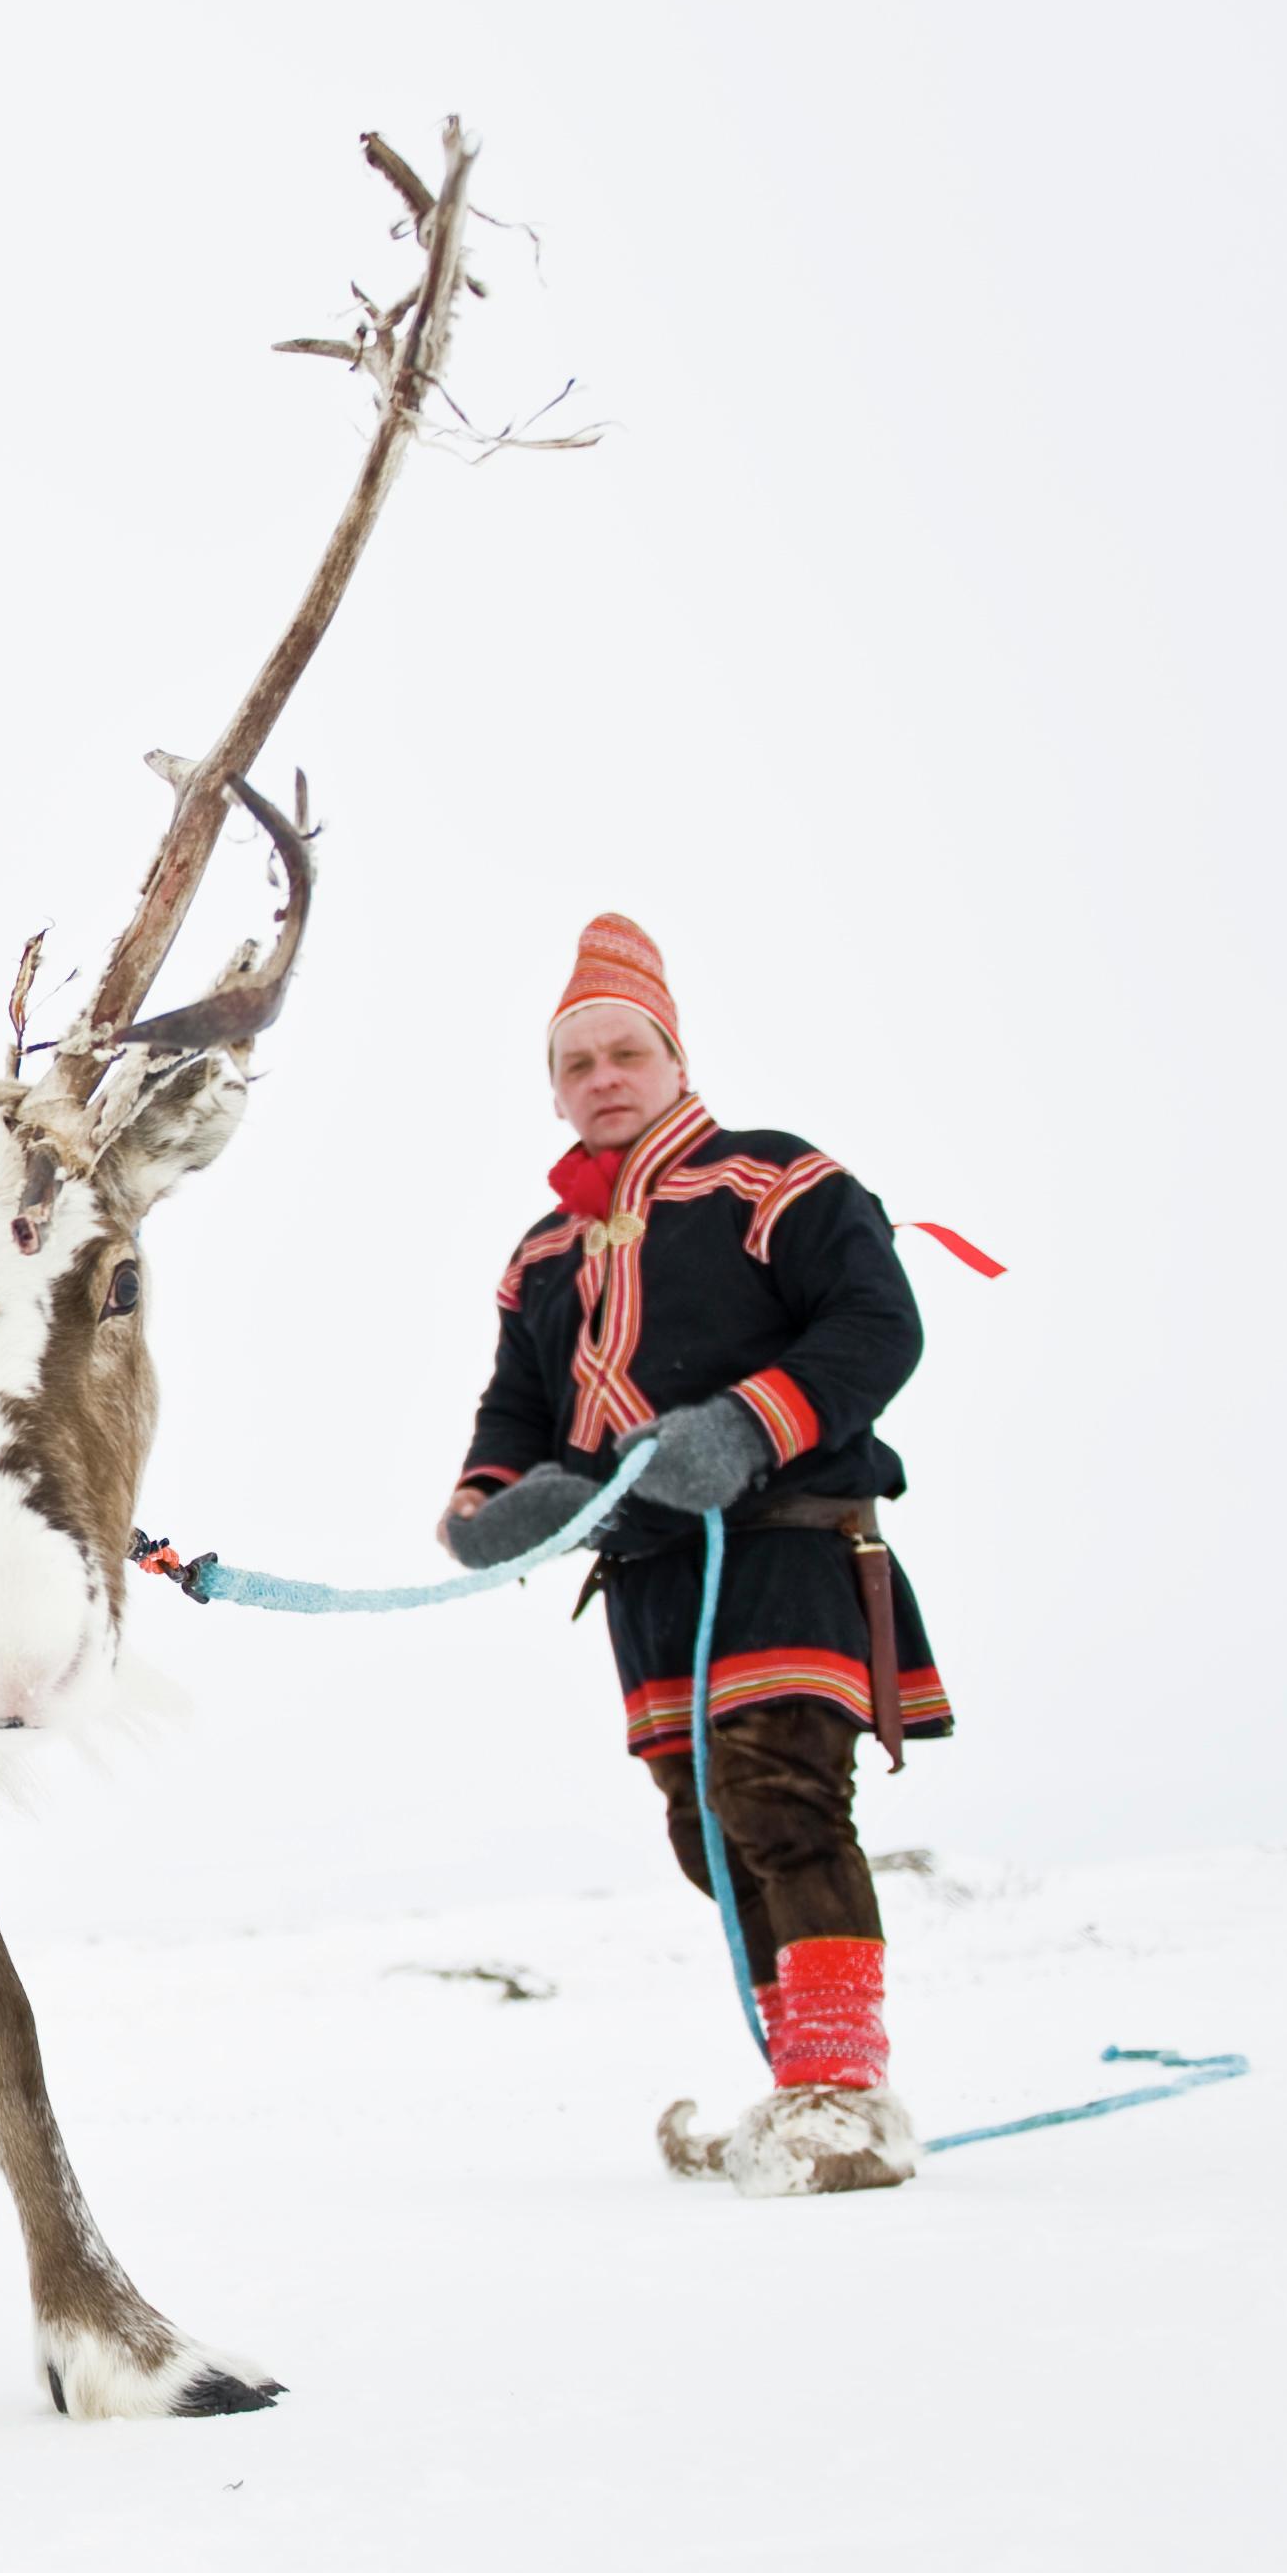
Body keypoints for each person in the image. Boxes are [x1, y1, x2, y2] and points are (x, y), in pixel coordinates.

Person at [441, 914, 952, 2197]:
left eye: (625, 1053)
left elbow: (875, 1324)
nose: (601, 1078)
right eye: (575, 1065)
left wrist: (742, 1423)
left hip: (785, 1538)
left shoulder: (776, 1180)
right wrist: (489, 1503)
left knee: (776, 1792)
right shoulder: (541, 1252)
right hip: (647, 1576)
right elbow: (513, 1406)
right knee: (706, 1828)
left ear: (673, 1060)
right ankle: (801, 2089)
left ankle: (843, 2093)